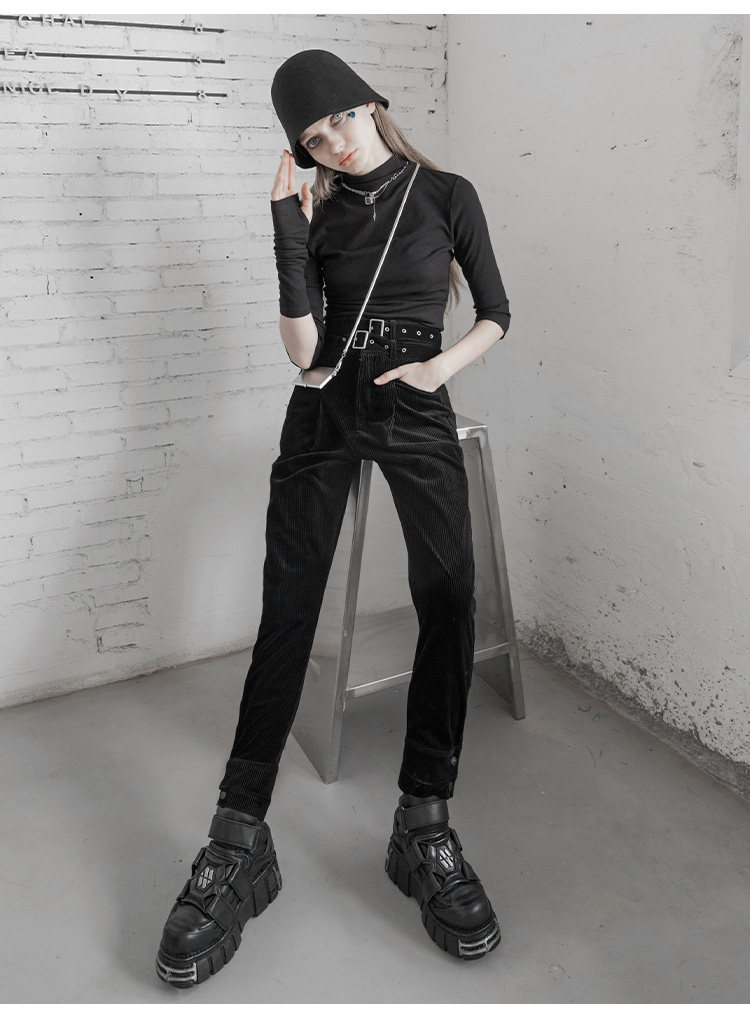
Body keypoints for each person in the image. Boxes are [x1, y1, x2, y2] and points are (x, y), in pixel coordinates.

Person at [155, 48, 511, 988]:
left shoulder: (448, 194)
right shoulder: (315, 212)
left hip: (414, 402)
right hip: (323, 405)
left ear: (370, 105)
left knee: (449, 596)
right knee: (287, 609)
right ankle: (238, 836)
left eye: (341, 120)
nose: (335, 144)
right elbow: (304, 350)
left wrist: (437, 369)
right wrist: (285, 228)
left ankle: (424, 821)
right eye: (313, 139)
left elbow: (496, 311)